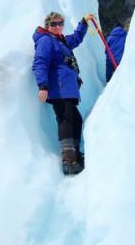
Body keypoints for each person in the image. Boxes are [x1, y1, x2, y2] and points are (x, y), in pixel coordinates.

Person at [32, 12, 92, 175]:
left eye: (60, 23)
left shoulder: (61, 41)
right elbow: (40, 62)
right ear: (47, 26)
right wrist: (43, 85)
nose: (58, 26)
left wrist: (84, 23)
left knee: (76, 120)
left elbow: (77, 38)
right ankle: (68, 160)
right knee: (65, 119)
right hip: (59, 86)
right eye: (54, 24)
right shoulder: (45, 40)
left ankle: (75, 155)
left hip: (68, 87)